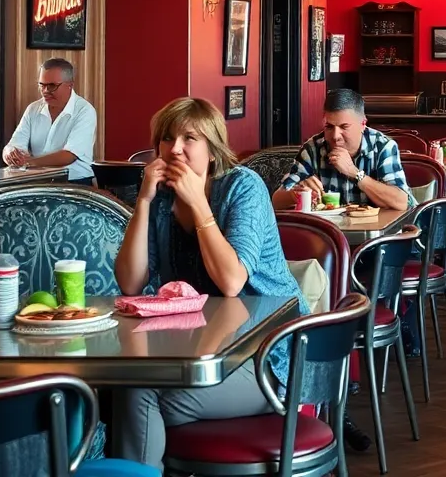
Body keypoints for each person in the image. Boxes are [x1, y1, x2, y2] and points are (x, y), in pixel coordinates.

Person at [113, 97, 309, 469]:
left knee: (138, 394)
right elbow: (130, 282)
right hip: (200, 352)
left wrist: (199, 205)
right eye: (167, 139)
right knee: (127, 386)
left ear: (213, 152)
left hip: (269, 355)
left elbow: (232, 281)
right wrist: (142, 200)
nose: (175, 149)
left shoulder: (242, 187)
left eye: (190, 138)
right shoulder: (161, 200)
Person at [273, 89, 410, 212]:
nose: (335, 136)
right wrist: (296, 192)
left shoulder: (382, 147)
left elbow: (401, 202)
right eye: (329, 127)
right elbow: (276, 201)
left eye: (344, 127)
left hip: (377, 235)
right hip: (329, 234)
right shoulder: (313, 148)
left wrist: (355, 173)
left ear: (363, 124)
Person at [2, 58, 98, 184]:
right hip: (37, 180)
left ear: (70, 85)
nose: (46, 91)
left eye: (52, 86)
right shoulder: (33, 109)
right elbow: (13, 145)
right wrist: (9, 153)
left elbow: (69, 156)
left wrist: (28, 162)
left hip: (74, 182)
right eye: (42, 85)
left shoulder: (84, 111)